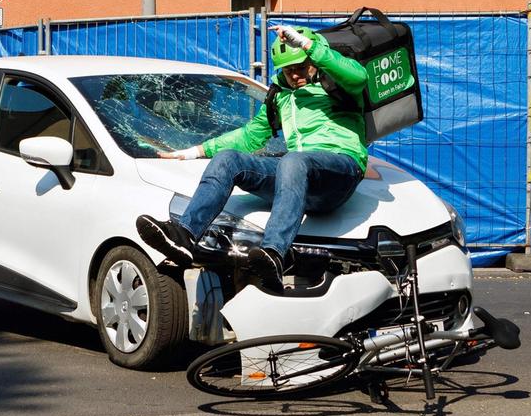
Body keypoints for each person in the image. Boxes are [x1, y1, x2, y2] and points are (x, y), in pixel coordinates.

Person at [136, 24, 369, 286]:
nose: (295, 76)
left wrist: (307, 45)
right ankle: (184, 237)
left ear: (313, 60)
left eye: (301, 68)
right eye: (288, 70)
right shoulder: (280, 96)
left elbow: (358, 77)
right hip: (299, 178)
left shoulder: (338, 84)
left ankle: (274, 253)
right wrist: (195, 151)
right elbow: (250, 137)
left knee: (293, 160)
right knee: (228, 159)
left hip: (339, 173)